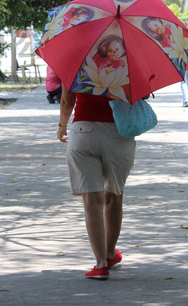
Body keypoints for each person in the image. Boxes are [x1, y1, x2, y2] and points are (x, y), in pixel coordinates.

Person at [57, 90, 136, 280]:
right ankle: (110, 254)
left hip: (84, 132)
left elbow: (67, 101)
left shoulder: (75, 61)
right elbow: (140, 96)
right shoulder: (127, 61)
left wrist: (62, 126)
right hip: (119, 132)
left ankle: (100, 265)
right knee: (114, 196)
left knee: (91, 201)